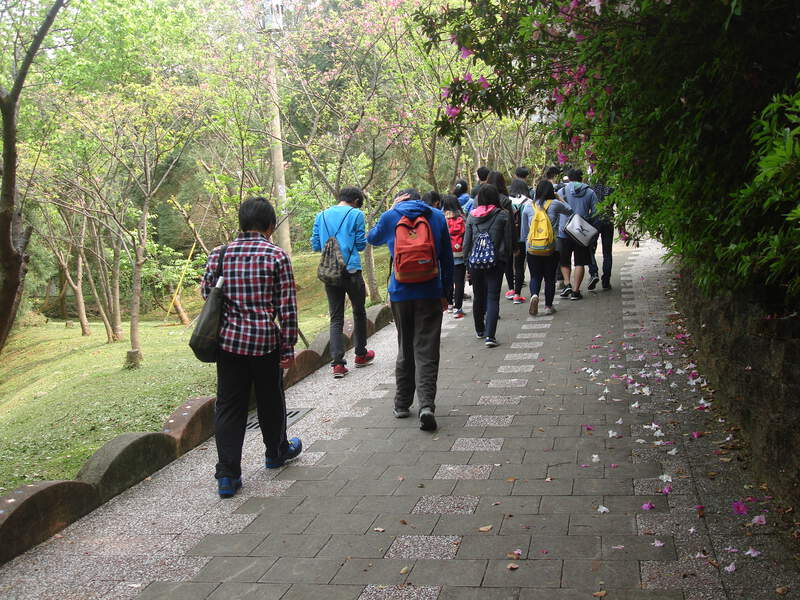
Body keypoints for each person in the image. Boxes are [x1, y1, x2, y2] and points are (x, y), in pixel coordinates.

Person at [200, 197, 302, 499]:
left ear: (242, 223)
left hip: (229, 344)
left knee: (229, 406)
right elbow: (287, 307)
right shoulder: (276, 256)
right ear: (270, 226)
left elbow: (208, 294)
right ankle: (276, 452)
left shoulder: (219, 254)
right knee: (271, 399)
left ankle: (227, 475)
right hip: (265, 343)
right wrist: (288, 348)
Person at [367, 189, 454, 431]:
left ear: (400, 200)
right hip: (430, 291)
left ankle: (402, 404)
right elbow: (447, 259)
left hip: (400, 292)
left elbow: (371, 238)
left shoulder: (390, 216)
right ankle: (426, 406)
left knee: (405, 345)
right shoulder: (437, 216)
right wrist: (446, 294)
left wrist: (390, 209)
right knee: (427, 349)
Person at [311, 187, 375, 379]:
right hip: (351, 270)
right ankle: (361, 354)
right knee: (359, 311)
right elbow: (361, 244)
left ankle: (338, 364)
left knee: (336, 317)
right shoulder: (356, 214)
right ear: (356, 201)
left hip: (331, 272)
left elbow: (315, 245)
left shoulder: (321, 215)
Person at [463, 183, 511, 348]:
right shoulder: (503, 215)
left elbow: (466, 244)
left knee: (478, 296)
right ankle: (490, 336)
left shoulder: (471, 216)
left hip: (475, 262)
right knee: (492, 297)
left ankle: (479, 330)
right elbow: (508, 241)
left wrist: (467, 264)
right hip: (496, 262)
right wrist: (506, 259)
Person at [521, 180, 572, 315]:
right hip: (551, 247)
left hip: (533, 248)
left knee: (535, 276)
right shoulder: (555, 204)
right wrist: (560, 198)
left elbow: (525, 232)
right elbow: (570, 211)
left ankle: (534, 295)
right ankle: (548, 307)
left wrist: (527, 247)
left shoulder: (528, 206)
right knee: (549, 278)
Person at [557, 168, 598, 301]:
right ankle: (575, 291)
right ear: (582, 178)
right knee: (580, 262)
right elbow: (596, 212)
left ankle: (567, 284)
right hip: (581, 233)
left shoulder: (561, 192)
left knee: (564, 261)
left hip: (564, 231)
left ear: (568, 178)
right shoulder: (590, 192)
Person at [486, 171, 516, 299]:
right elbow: (511, 225)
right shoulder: (505, 200)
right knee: (507, 263)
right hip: (502, 238)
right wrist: (514, 245)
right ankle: (511, 288)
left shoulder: (480, 198)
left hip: (485, 238)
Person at [508, 167, 532, 304]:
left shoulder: (506, 201)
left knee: (509, 264)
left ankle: (511, 290)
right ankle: (517, 294)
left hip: (509, 238)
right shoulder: (528, 202)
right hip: (523, 238)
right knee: (520, 266)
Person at [587, 179, 615, 290]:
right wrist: (622, 228)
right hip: (608, 219)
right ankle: (606, 281)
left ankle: (593, 272)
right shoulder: (612, 186)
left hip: (594, 220)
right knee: (607, 252)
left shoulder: (591, 186)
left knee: (590, 249)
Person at [443, 194, 467, 319]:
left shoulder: (442, 219)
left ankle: (449, 305)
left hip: (447, 254)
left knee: (448, 280)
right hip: (460, 253)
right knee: (459, 282)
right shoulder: (462, 217)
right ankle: (458, 309)